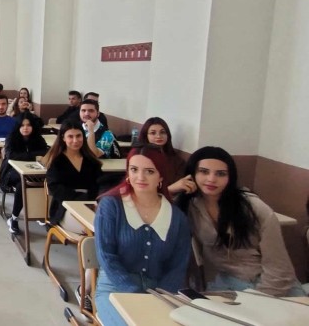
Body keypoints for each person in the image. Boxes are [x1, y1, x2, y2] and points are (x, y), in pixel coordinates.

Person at [177, 146, 304, 297]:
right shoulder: (190, 205)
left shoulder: (254, 208)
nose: (211, 179)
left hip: (271, 286)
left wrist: (258, 300)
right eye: (204, 171)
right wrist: (171, 189)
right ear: (192, 174)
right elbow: (157, 210)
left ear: (230, 177)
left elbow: (280, 270)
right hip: (224, 284)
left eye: (221, 174)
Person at [94, 145, 191, 325]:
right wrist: (135, 293)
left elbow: (178, 266)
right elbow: (106, 256)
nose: (140, 177)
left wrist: (160, 297)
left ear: (161, 176)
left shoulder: (177, 218)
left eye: (149, 171)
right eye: (134, 169)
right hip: (115, 289)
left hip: (160, 292)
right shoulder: (111, 206)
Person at [42, 120, 102, 230]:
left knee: (106, 221)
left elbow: (100, 183)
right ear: (63, 138)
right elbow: (56, 188)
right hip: (65, 207)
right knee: (94, 226)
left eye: (78, 136)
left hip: (91, 203)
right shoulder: (56, 161)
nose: (75, 140)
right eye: (70, 136)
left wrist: (91, 199)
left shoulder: (91, 160)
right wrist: (81, 198)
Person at [0, 112, 49, 234]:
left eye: (28, 125)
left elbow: (45, 151)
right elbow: (11, 155)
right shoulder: (11, 138)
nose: (25, 128)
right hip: (10, 172)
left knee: (46, 181)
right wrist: (33, 156)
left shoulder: (38, 138)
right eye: (22, 125)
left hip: (33, 172)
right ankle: (14, 218)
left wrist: (26, 156)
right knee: (23, 183)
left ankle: (40, 213)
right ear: (18, 126)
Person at [136, 117, 194, 195]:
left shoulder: (178, 161)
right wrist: (171, 189)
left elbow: (180, 189)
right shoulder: (139, 159)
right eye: (153, 133)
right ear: (145, 136)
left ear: (168, 135)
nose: (158, 136)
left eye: (162, 132)